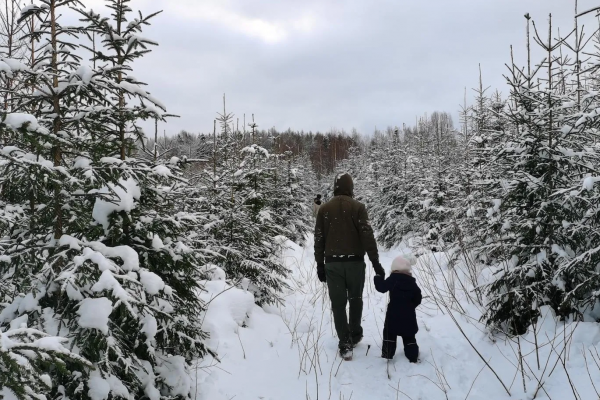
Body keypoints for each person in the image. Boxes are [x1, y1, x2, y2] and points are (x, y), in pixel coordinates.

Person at [314, 173, 384, 360]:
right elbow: (367, 236)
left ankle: (344, 343)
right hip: (355, 263)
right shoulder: (358, 208)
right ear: (351, 187)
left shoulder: (324, 210)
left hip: (333, 265)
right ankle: (354, 334)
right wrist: (376, 263)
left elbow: (319, 240)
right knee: (355, 298)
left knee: (338, 304)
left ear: (335, 187)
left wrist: (319, 265)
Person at [374, 255, 422, 362]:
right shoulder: (411, 282)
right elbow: (418, 297)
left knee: (390, 332)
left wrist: (377, 277)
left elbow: (381, 288)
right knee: (409, 335)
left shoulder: (393, 279)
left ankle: (388, 353)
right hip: (409, 314)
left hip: (393, 313)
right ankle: (412, 356)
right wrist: (411, 306)